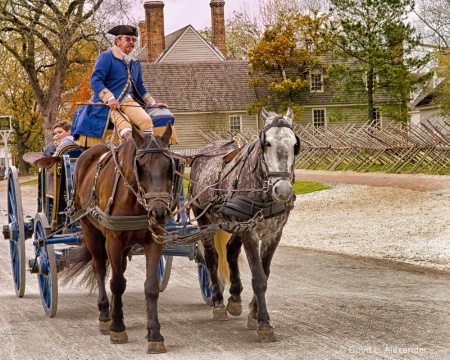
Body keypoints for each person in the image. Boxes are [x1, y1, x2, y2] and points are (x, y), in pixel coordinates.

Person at [71, 24, 167, 144]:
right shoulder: (106, 57)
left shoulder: (135, 62)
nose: (131, 42)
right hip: (108, 103)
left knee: (146, 121)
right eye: (127, 39)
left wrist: (152, 103)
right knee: (125, 126)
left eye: (133, 40)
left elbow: (139, 85)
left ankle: (146, 154)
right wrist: (110, 98)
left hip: (129, 102)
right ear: (118, 41)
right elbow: (95, 81)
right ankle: (127, 153)